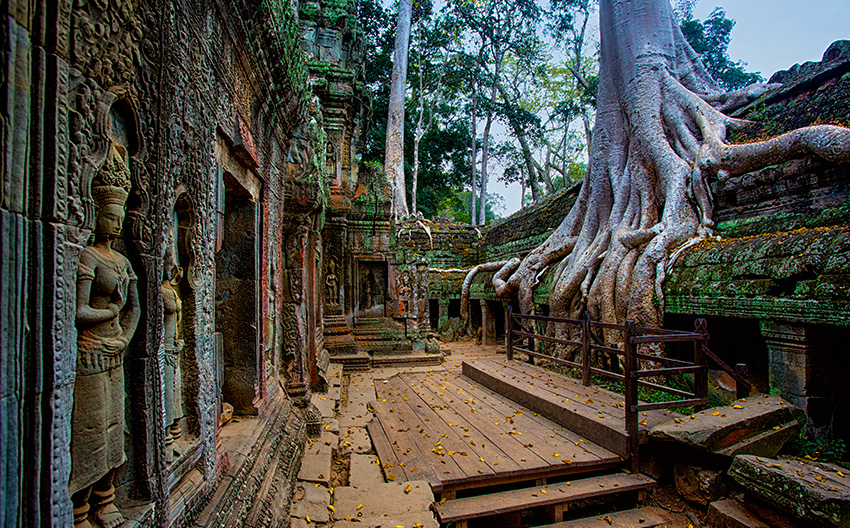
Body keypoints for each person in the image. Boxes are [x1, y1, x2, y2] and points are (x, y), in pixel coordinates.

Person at [70, 143, 140, 528]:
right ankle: (80, 509)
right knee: (90, 432)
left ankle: (107, 498)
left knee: (115, 428)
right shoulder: (88, 258)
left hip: (114, 350)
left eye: (119, 216)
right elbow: (78, 310)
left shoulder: (123, 261)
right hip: (90, 354)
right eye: (109, 216)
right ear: (96, 214)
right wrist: (108, 314)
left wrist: (125, 338)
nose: (115, 222)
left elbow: (135, 309)